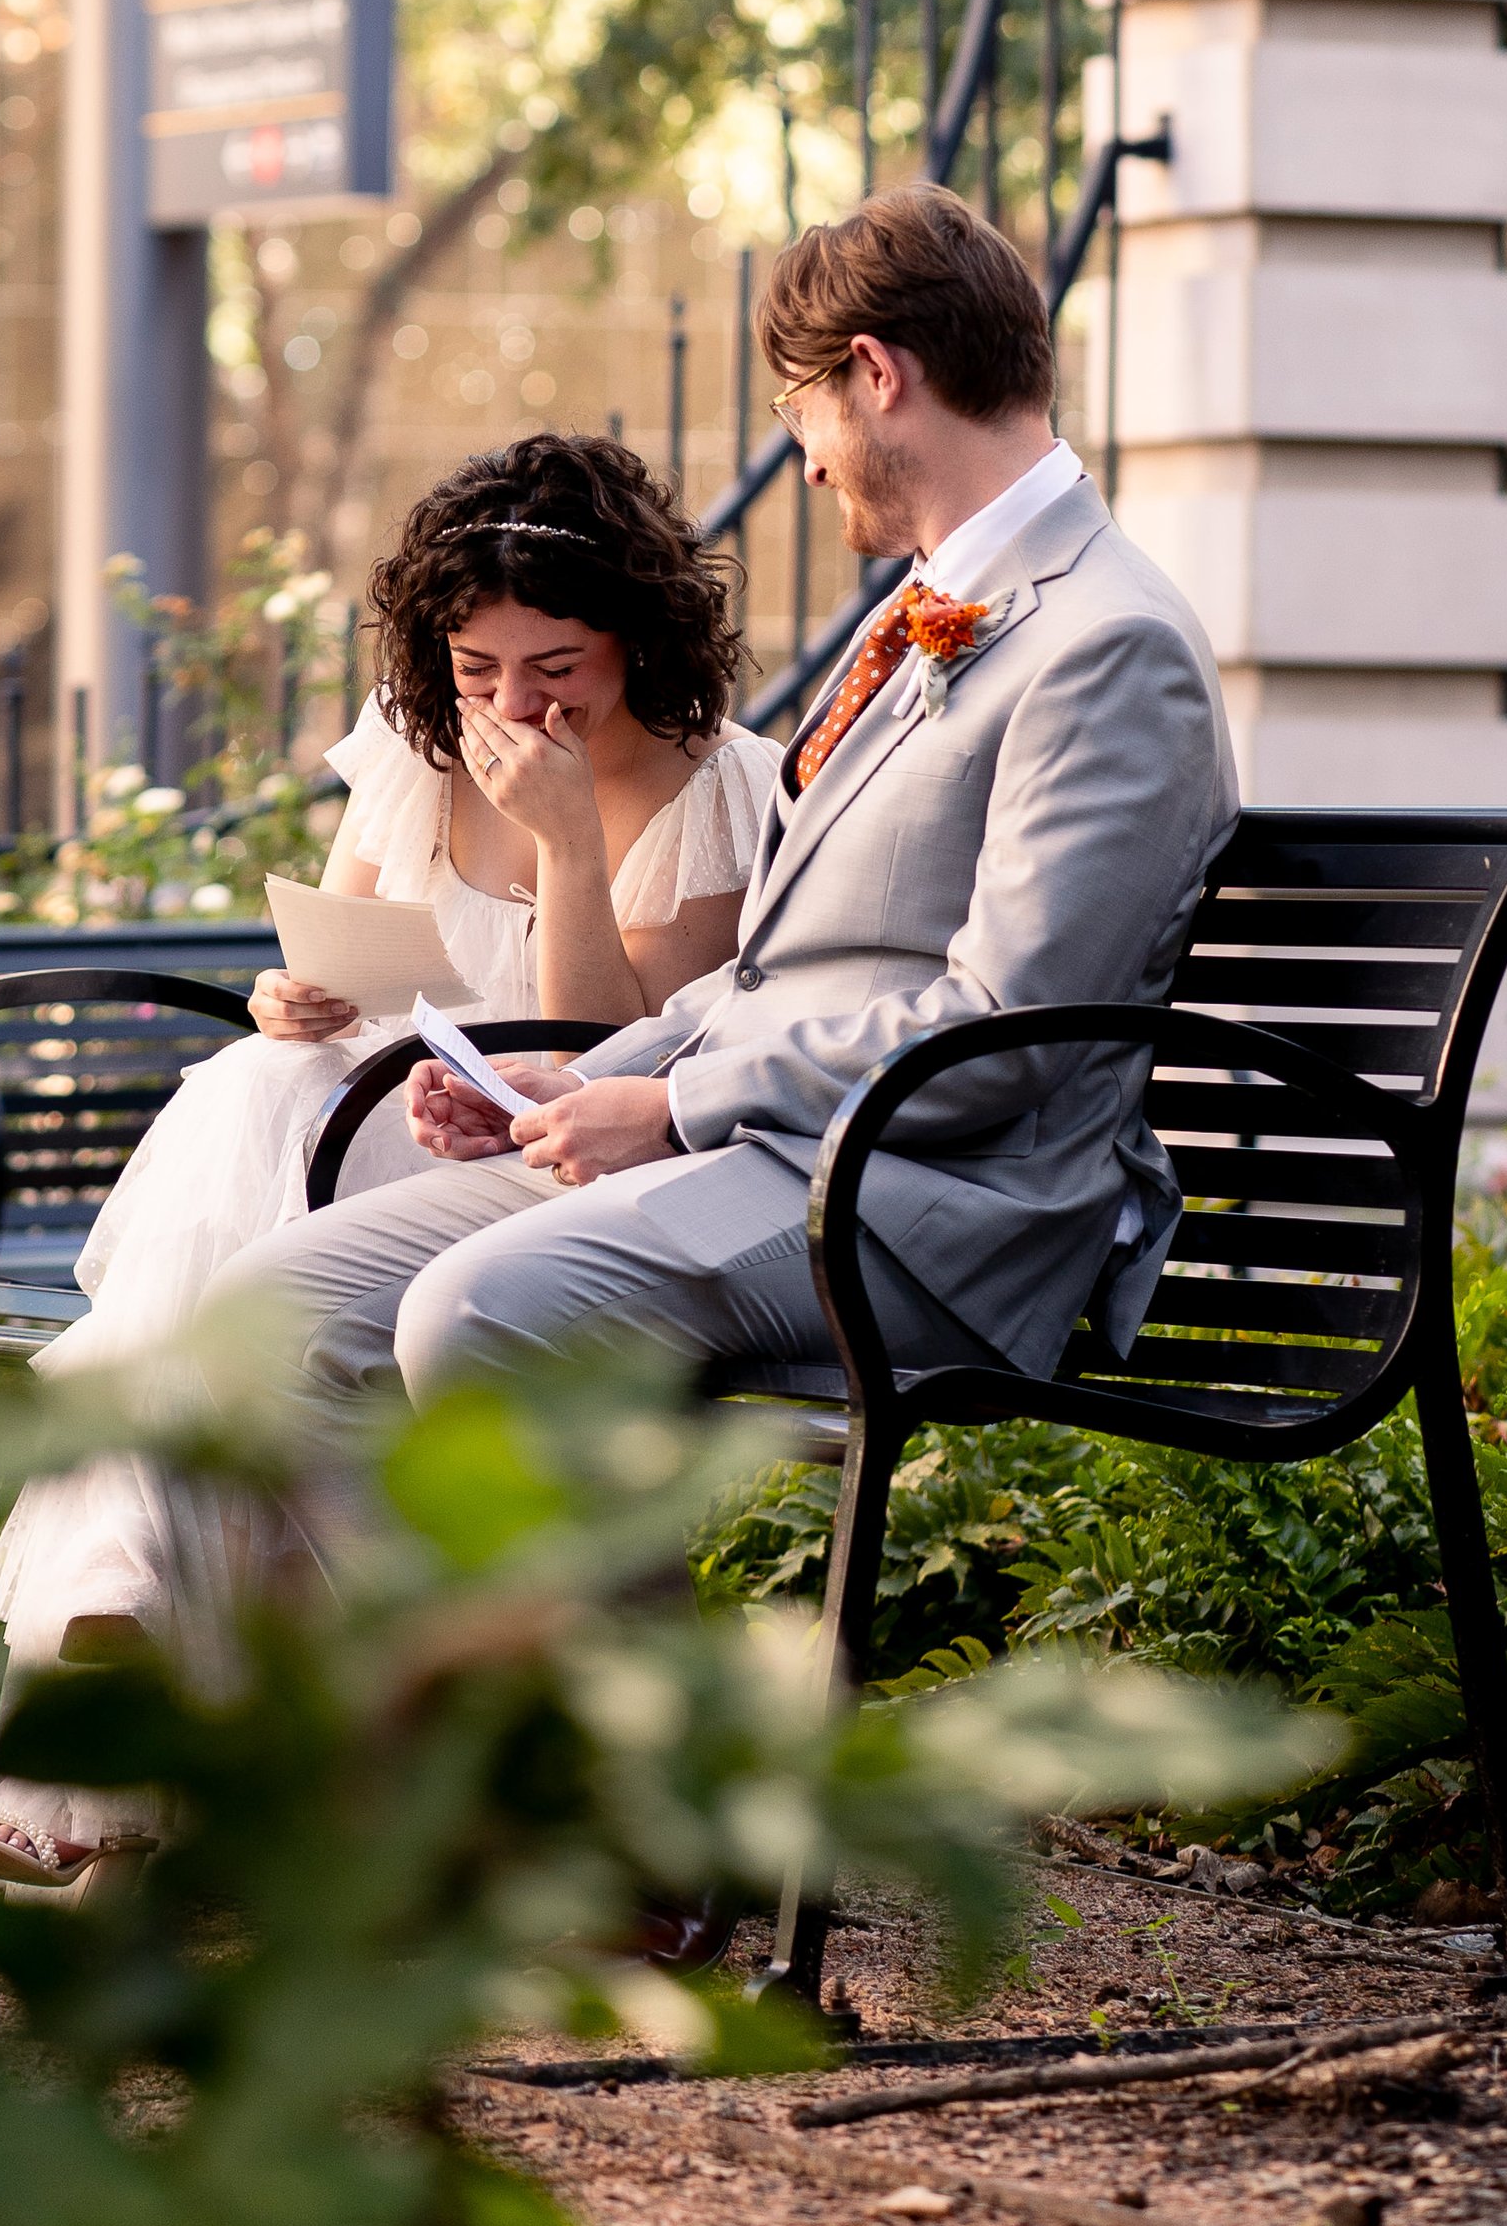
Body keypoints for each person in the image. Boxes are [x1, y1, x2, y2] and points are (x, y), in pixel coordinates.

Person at [192, 180, 1238, 1495]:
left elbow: (1004, 1027)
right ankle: (449, 1698)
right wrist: (571, 1086)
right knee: (271, 1313)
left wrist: (676, 1103)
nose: (805, 461)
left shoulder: (1107, 642)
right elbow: (767, 978)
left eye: (803, 416)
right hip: (768, 1153)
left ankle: (627, 1704)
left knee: (473, 1313)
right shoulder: (914, 614)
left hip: (931, 1206)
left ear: (872, 374)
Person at [0, 433, 778, 1885]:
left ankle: (106, 1678)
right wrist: (296, 998)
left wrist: (569, 840)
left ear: (637, 635)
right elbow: (344, 957)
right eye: (476, 669)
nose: (513, 706)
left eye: (554, 667)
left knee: (257, 1192)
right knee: (264, 1080)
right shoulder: (409, 751)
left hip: (555, 1184)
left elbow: (619, 1056)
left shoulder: (718, 790)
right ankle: (128, 1615)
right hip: (375, 1125)